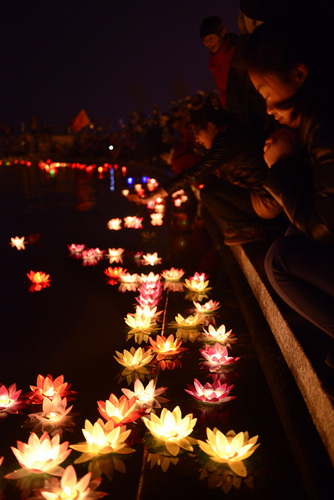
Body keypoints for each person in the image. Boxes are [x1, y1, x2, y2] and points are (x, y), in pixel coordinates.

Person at [246, 17, 334, 393]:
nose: (267, 107)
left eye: (265, 90)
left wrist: (281, 168)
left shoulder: (326, 125)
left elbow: (326, 228)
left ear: (298, 73)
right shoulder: (314, 122)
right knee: (287, 236)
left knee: (279, 258)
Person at [127, 104, 282, 245]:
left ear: (210, 126)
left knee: (208, 193)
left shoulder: (226, 143)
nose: (197, 140)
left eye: (197, 133)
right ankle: (245, 226)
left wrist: (153, 196)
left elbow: (193, 174)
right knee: (212, 186)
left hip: (268, 200)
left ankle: (251, 228)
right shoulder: (230, 136)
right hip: (265, 193)